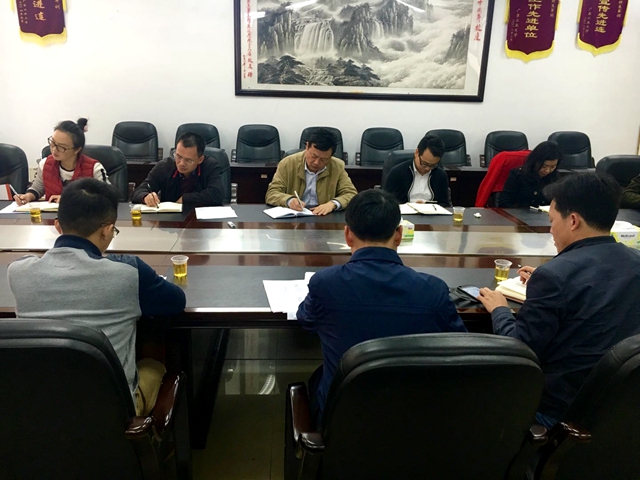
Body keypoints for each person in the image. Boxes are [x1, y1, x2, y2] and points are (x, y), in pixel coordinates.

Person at [8, 178, 186, 416]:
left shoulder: (18, 272)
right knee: (154, 365)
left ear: (58, 226)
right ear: (107, 230)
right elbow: (176, 302)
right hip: (111, 413)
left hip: (38, 408)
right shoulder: (128, 272)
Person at [477, 173, 640, 428]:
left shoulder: (555, 276)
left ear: (573, 220)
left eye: (552, 221)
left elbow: (519, 349)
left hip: (559, 414)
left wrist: (500, 310)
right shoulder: (635, 261)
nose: (551, 230)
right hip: (620, 411)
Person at [297, 189, 467, 424]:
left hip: (342, 419)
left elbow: (306, 320)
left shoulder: (325, 283)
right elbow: (460, 345)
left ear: (347, 235)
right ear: (398, 234)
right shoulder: (433, 290)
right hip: (414, 417)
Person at [13, 118, 110, 205]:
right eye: (52, 142)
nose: (54, 149)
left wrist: (69, 200)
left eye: (61, 147)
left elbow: (107, 197)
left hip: (84, 217)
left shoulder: (94, 168)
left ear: (77, 149)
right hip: (52, 216)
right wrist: (28, 196)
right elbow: (37, 188)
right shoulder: (45, 164)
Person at [265, 128, 357, 215]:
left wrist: (333, 204)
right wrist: (289, 200)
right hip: (295, 217)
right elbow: (272, 193)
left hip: (323, 217)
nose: (316, 162)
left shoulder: (337, 166)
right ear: (307, 147)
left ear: (331, 157)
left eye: (324, 159)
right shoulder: (288, 163)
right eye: (314, 156)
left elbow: (351, 194)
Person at [131, 132, 224, 209]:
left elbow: (217, 194)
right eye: (178, 156)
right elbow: (140, 190)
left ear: (200, 159)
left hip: (200, 220)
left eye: (188, 160)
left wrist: (185, 199)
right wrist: (145, 197)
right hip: (169, 221)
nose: (181, 163)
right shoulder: (164, 166)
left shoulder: (210, 166)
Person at [384, 133, 450, 206]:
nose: (428, 168)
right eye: (424, 163)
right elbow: (385, 202)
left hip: (431, 213)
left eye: (433, 165)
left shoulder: (440, 175)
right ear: (417, 153)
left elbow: (445, 204)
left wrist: (428, 205)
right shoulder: (397, 172)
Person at [498, 141, 563, 208]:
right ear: (535, 161)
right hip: (518, 213)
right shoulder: (517, 175)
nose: (547, 170)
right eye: (544, 166)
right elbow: (504, 203)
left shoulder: (555, 178)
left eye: (552, 167)